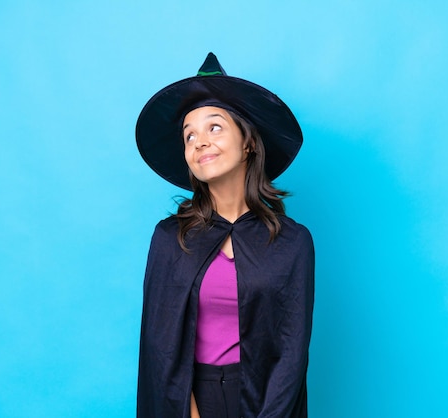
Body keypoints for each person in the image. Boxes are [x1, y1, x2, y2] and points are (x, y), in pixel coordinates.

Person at [135, 52, 315, 418]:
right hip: (190, 399)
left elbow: (292, 354)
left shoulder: (293, 242)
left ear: (248, 142)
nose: (199, 141)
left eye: (214, 127)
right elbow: (160, 348)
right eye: (189, 135)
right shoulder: (170, 239)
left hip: (266, 401)